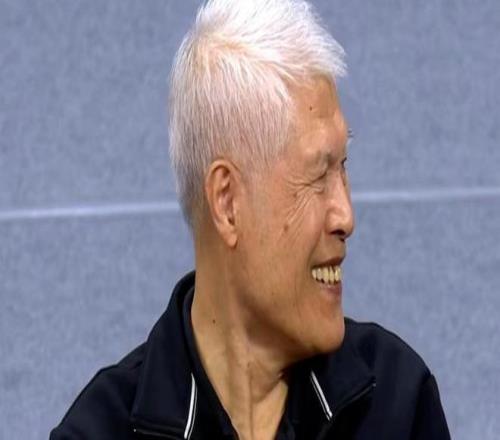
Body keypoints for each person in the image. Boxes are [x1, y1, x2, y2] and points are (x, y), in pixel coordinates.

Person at [50, 0, 451, 439]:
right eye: (318, 176)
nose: (346, 216)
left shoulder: (396, 402)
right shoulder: (99, 432)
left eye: (343, 167)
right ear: (227, 202)